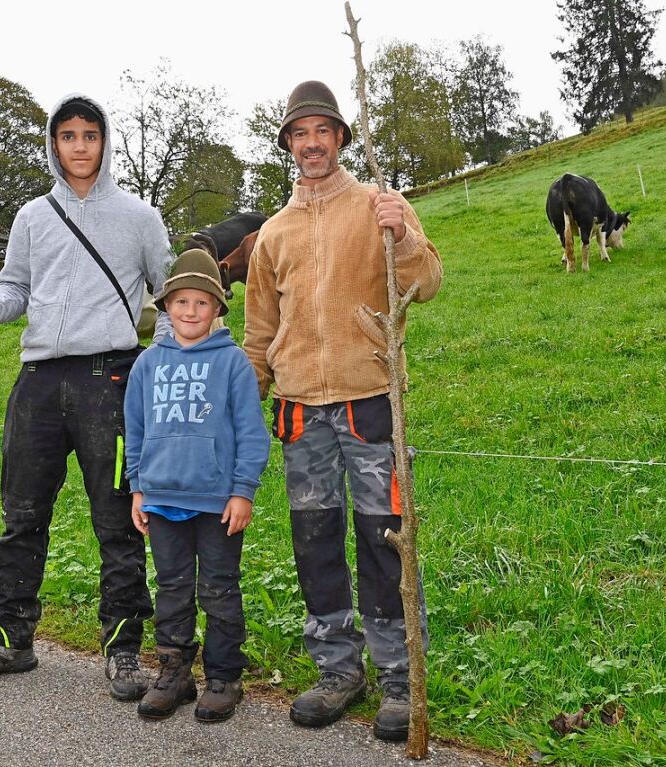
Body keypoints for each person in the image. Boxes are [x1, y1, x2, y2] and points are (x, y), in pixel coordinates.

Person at [0, 93, 174, 701]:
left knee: (119, 521)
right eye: (67, 135)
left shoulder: (139, 217)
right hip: (39, 384)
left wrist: (160, 362)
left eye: (89, 135)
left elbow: (173, 292)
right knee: (21, 516)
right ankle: (9, 640)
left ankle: (124, 649)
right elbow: (19, 287)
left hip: (111, 382)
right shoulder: (31, 217)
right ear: (54, 144)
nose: (79, 146)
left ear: (105, 141)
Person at [243, 81, 443, 741]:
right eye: (298, 134)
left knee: (385, 540)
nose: (310, 143)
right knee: (314, 542)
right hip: (301, 413)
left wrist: (403, 236)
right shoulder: (272, 233)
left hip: (369, 404)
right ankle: (337, 669)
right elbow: (256, 337)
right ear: (288, 146)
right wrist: (249, 403)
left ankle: (395, 679)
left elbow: (425, 282)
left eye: (321, 130)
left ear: (339, 138)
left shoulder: (378, 205)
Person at [124, 248, 270, 722]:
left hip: (217, 501)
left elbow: (251, 431)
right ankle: (175, 671)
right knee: (171, 587)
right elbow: (136, 428)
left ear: (218, 309)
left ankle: (225, 676)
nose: (191, 311)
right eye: (181, 301)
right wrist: (138, 487)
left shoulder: (232, 364)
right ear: (166, 307)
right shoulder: (147, 365)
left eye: (202, 303)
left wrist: (243, 490)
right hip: (162, 497)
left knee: (219, 589)